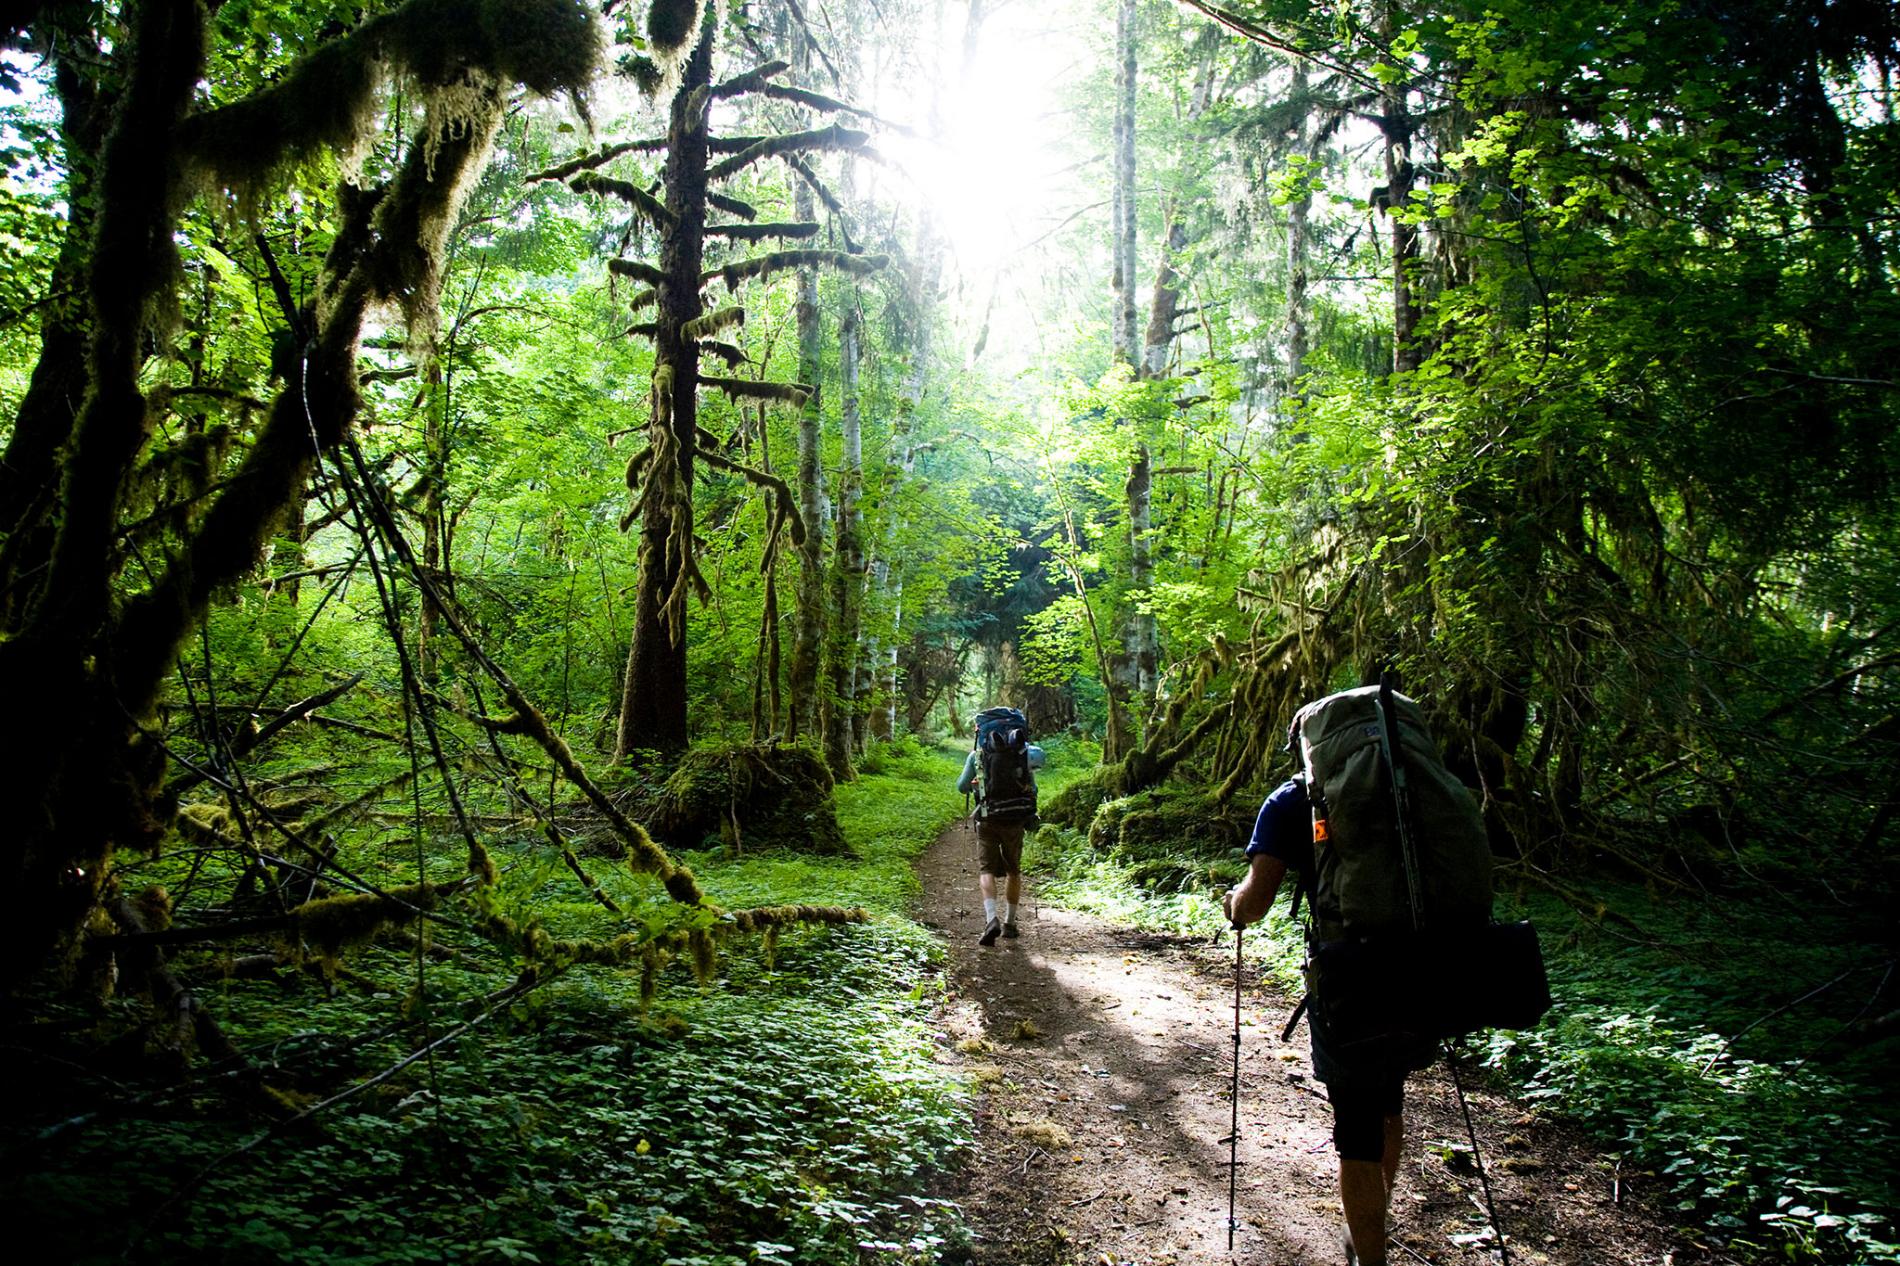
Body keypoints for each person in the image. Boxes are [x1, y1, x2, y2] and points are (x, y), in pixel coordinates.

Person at [1223, 775, 1435, 1266]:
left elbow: (1255, 902)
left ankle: (1369, 1254)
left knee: (1357, 1123)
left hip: (1349, 978)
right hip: (1424, 968)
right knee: (1389, 1101)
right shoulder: (1408, 779)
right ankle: (1370, 1222)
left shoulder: (1293, 799)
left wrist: (1233, 903)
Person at [956, 730, 1044, 946]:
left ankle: (991, 919)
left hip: (988, 819)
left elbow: (961, 787)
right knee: (1013, 870)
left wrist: (976, 786)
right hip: (1015, 820)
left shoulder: (977, 755)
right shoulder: (1022, 753)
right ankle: (1010, 924)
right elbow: (1033, 789)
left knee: (986, 870)